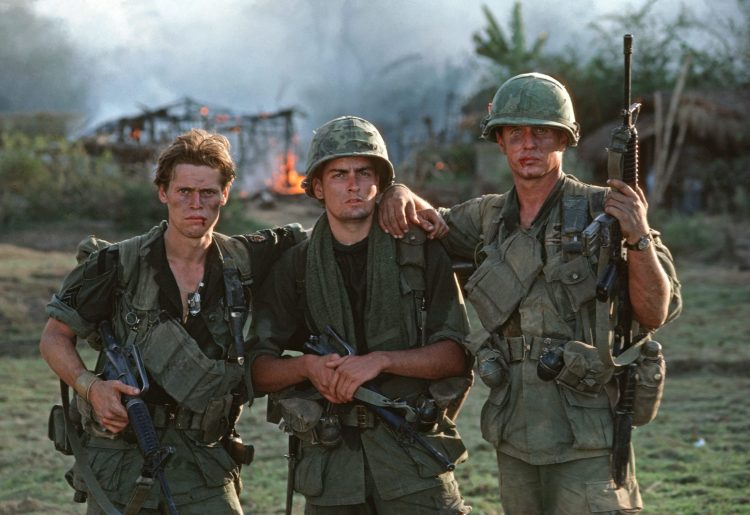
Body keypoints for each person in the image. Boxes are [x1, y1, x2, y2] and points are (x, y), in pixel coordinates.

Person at [378, 73, 683, 514]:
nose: (529, 145)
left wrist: (636, 234)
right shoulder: (488, 217)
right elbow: (427, 223)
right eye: (515, 133)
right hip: (515, 431)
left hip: (587, 433)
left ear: (564, 139)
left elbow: (656, 312)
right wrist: (400, 190)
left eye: (542, 132)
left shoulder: (607, 211)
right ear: (499, 141)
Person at [40, 128, 306, 514]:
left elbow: (334, 230)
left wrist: (397, 197)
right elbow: (54, 337)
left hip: (204, 461)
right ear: (163, 192)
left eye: (208, 193)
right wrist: (91, 388)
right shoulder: (116, 264)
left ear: (225, 195)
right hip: (122, 457)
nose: (196, 204)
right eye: (184, 192)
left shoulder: (245, 259)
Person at [249, 116, 473, 514]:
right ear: (317, 186)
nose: (352, 185)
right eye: (338, 174)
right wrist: (308, 367)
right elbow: (257, 369)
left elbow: (456, 354)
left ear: (380, 183)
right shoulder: (297, 266)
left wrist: (380, 361)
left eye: (363, 172)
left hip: (413, 463)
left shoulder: (418, 253)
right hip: (332, 470)